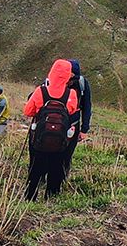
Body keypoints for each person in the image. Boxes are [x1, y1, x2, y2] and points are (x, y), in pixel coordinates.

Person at [23, 59, 82, 201]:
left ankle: (30, 195)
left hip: (39, 137)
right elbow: (72, 110)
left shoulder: (40, 91)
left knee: (35, 166)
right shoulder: (71, 94)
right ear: (68, 76)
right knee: (56, 165)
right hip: (61, 138)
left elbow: (28, 112)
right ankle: (51, 196)